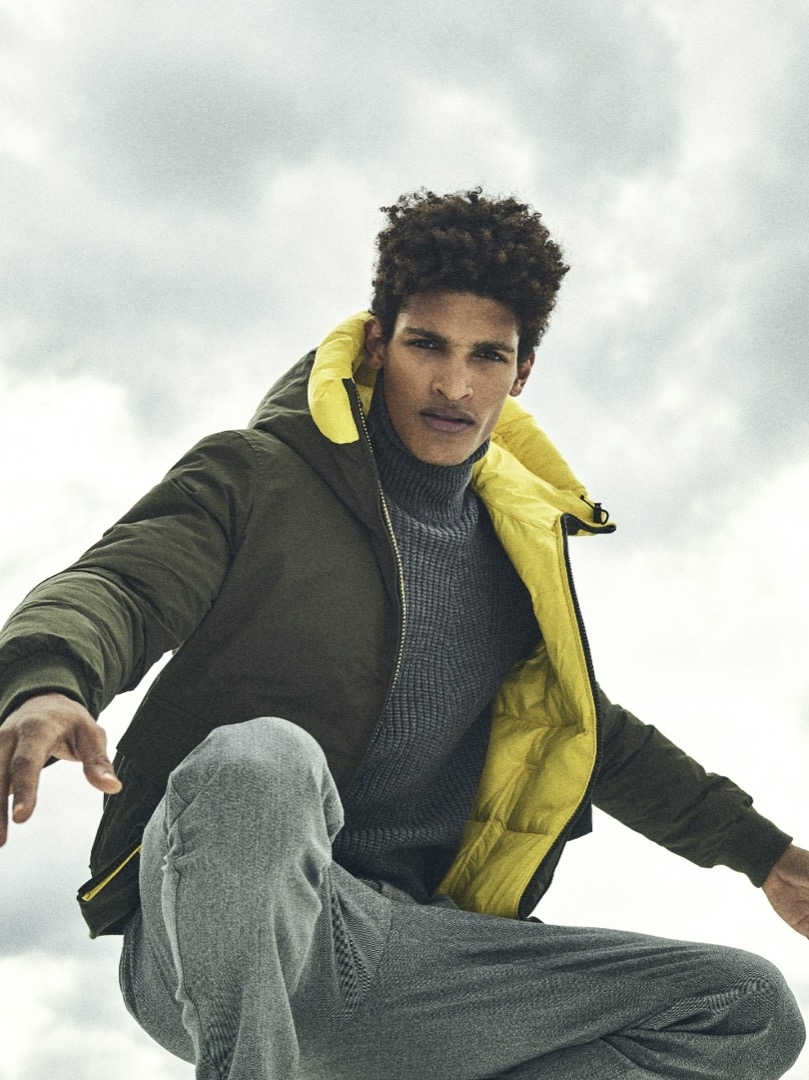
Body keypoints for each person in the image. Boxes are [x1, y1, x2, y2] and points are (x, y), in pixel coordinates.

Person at [0, 188, 806, 1080]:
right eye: (428, 345)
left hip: (402, 953)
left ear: (520, 372)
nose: (454, 386)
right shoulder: (257, 475)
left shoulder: (513, 550)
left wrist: (766, 856)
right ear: (380, 343)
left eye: (486, 355)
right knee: (261, 760)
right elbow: (121, 585)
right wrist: (49, 679)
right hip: (209, 928)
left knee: (745, 1007)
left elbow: (588, 736)